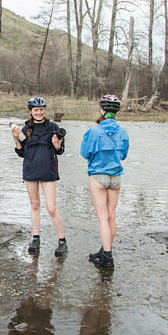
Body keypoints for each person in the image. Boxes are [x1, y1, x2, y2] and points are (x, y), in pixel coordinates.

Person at [11, 96, 67, 256]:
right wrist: (15, 138)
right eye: (36, 110)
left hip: (48, 170)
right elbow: (21, 152)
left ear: (44, 110)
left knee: (51, 208)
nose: (39, 112)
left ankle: (62, 240)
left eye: (41, 109)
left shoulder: (53, 127)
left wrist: (57, 143)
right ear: (31, 111)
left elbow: (60, 150)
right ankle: (36, 237)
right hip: (30, 170)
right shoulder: (25, 129)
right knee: (35, 204)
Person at [80, 94, 129, 269]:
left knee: (102, 218)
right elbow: (123, 154)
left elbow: (85, 153)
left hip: (98, 175)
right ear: (116, 112)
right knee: (111, 216)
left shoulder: (93, 131)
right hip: (116, 176)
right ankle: (105, 250)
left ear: (102, 110)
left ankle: (107, 257)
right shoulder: (122, 131)